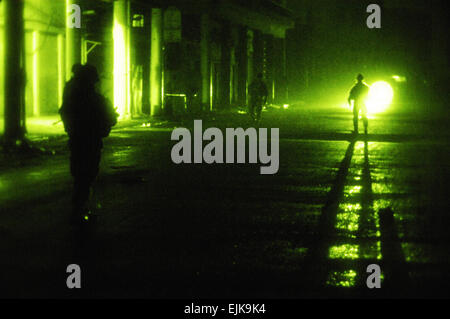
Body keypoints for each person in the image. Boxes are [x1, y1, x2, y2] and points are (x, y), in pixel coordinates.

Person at [59, 64, 118, 223]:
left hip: (77, 139)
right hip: (90, 140)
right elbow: (110, 119)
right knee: (87, 173)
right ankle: (80, 208)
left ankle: (79, 207)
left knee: (80, 173)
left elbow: (64, 112)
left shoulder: (72, 95)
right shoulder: (94, 99)